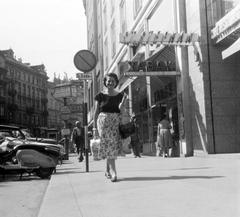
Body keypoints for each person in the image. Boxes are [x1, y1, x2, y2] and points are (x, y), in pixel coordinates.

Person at [93, 73, 128, 182]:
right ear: (105, 82)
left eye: (113, 81)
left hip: (115, 123)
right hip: (103, 123)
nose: (110, 83)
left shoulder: (120, 96)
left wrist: (123, 104)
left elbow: (123, 111)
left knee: (111, 146)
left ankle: (107, 170)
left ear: (116, 82)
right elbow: (95, 113)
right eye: (108, 81)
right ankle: (114, 172)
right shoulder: (100, 95)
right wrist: (94, 129)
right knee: (110, 146)